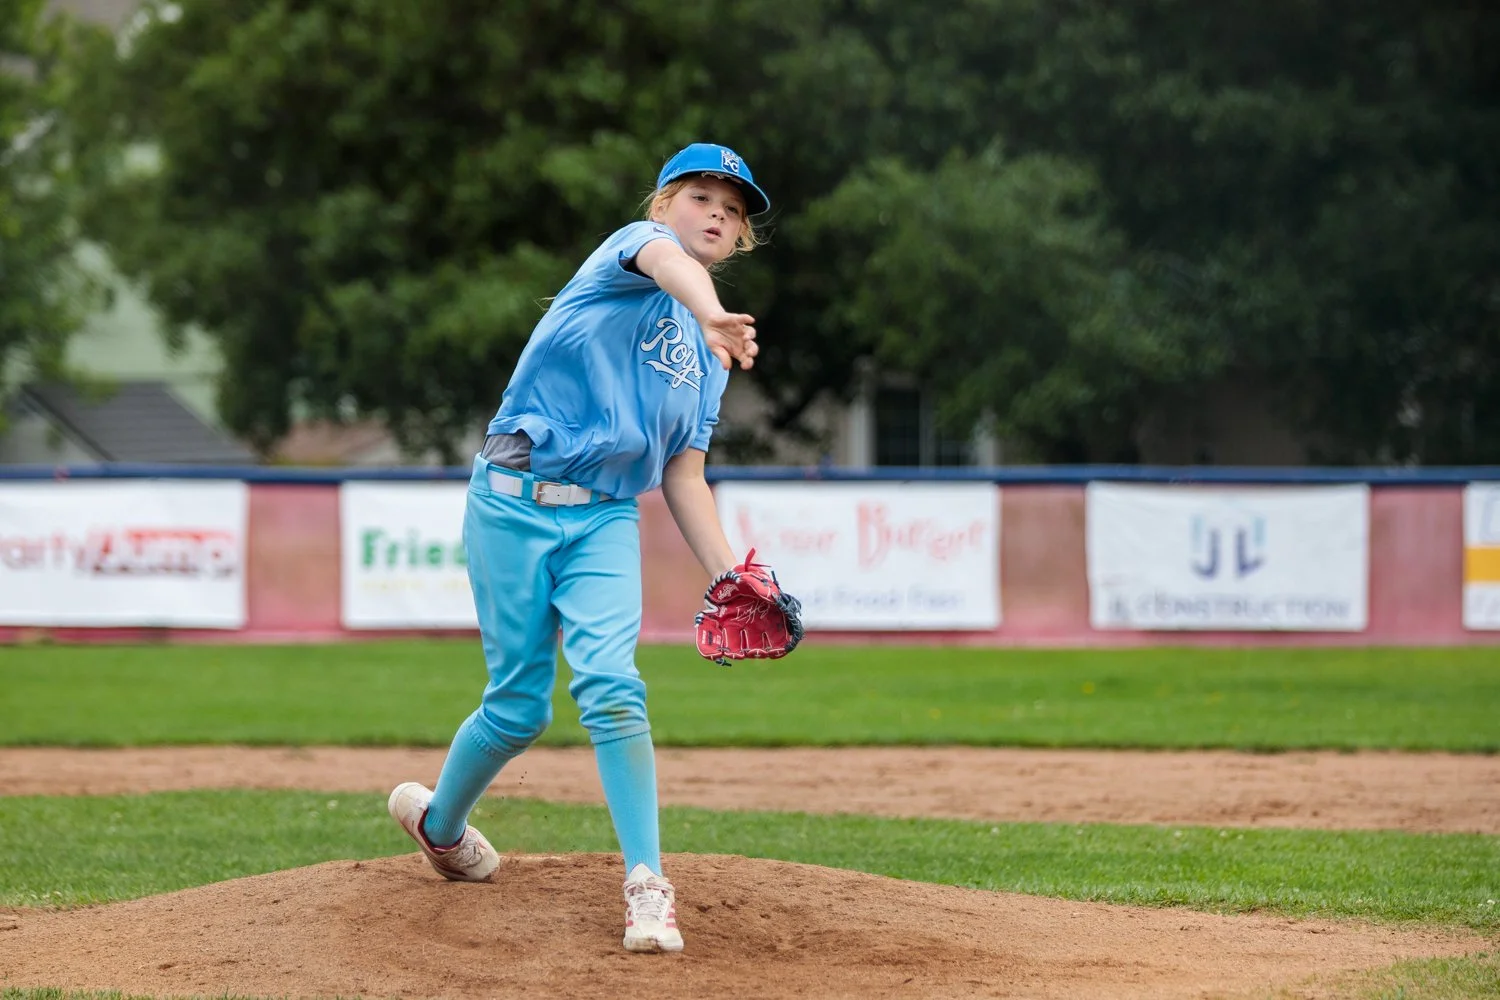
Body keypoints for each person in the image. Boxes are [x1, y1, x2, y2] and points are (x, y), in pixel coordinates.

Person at [388, 142, 773, 954]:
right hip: (511, 502)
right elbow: (670, 266)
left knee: (611, 684)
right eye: (701, 195)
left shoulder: (710, 358)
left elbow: (683, 475)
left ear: (741, 237)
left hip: (603, 517)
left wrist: (729, 578)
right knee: (519, 705)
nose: (717, 212)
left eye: (733, 210)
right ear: (661, 203)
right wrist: (708, 312)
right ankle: (440, 827)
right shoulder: (629, 254)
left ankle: (647, 884)